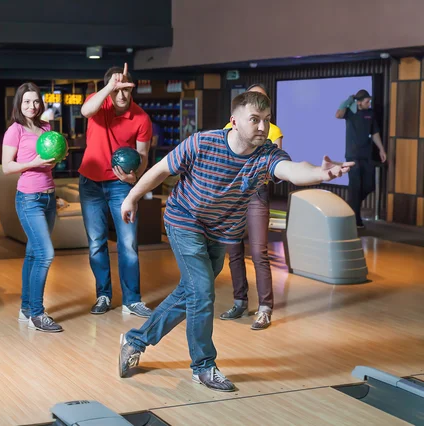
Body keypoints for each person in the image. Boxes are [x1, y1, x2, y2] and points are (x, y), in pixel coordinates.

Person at [118, 91, 353, 391]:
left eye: (266, 121)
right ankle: (203, 366)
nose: (261, 127)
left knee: (190, 293)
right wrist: (131, 197)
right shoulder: (203, 143)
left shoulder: (266, 155)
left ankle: (135, 340)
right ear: (234, 122)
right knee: (202, 292)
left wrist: (321, 172)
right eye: (254, 120)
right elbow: (161, 169)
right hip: (184, 220)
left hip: (222, 231)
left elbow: (293, 171)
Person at [78, 63, 153, 317]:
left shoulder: (141, 118)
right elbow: (85, 110)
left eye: (126, 90)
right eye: (116, 90)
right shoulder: (98, 105)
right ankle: (103, 295)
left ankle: (132, 300)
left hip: (121, 186)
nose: (121, 96)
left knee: (129, 243)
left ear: (132, 90)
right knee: (97, 243)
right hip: (90, 184)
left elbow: (143, 156)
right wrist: (110, 86)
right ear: (109, 90)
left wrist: (135, 176)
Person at [2, 82, 63, 333]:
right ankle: (37, 314)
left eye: (36, 101)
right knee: (45, 254)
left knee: (32, 254)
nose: (32, 106)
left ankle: (26, 308)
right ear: (19, 104)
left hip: (49, 197)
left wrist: (56, 157)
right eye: (26, 101)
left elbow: (49, 163)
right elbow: (7, 166)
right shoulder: (14, 130)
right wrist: (35, 161)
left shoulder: (47, 127)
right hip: (28, 199)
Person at [220, 84, 283, 330]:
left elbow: (276, 162)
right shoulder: (231, 126)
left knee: (259, 252)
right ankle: (239, 302)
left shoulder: (272, 130)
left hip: (257, 194)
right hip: (233, 196)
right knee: (234, 251)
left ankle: (265, 308)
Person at [335, 89, 387, 228]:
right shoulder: (350, 113)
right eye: (366, 101)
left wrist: (381, 149)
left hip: (366, 155)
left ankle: (351, 205)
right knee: (355, 188)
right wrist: (348, 101)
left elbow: (374, 132)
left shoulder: (370, 113)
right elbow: (338, 115)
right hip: (352, 156)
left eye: (369, 101)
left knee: (369, 185)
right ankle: (356, 220)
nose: (369, 103)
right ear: (358, 102)